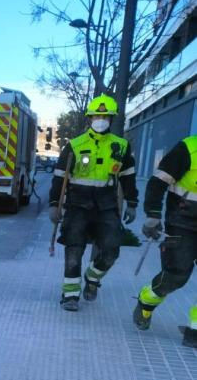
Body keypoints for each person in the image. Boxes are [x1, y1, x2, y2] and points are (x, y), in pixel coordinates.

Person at [48, 94, 138, 312]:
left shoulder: (121, 147)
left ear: (111, 118)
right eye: (97, 115)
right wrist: (53, 204)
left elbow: (128, 177)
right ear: (89, 118)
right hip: (78, 204)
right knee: (74, 249)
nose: (101, 119)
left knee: (111, 249)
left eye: (105, 115)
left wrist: (132, 202)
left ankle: (92, 277)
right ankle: (70, 295)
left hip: (106, 205)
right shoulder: (75, 146)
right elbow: (60, 177)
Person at [132, 135, 196, 348]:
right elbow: (158, 182)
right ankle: (146, 302)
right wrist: (153, 214)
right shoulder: (188, 148)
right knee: (177, 275)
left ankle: (195, 329)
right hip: (182, 222)